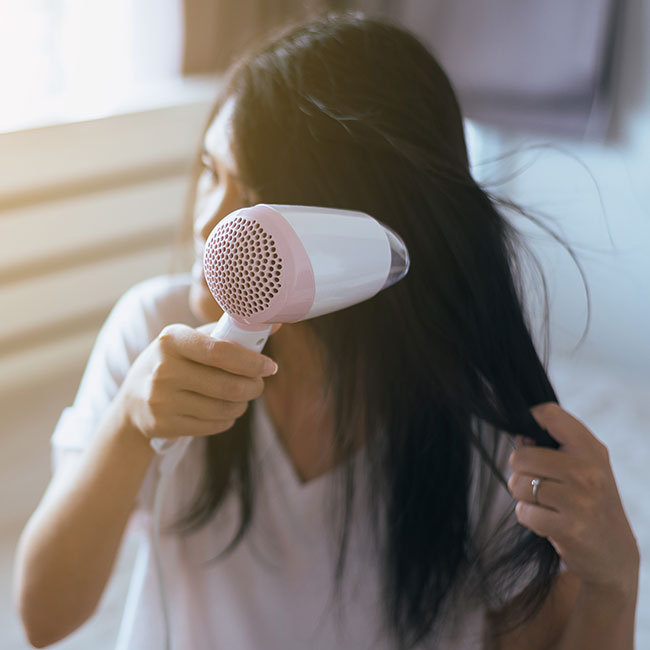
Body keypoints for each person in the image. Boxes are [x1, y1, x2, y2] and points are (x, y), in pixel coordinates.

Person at [14, 12, 639, 650]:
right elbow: (42, 615)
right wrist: (126, 427)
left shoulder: (486, 435)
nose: (209, 224)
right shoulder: (154, 332)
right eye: (210, 171)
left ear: (362, 235)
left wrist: (615, 583)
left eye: (254, 200)